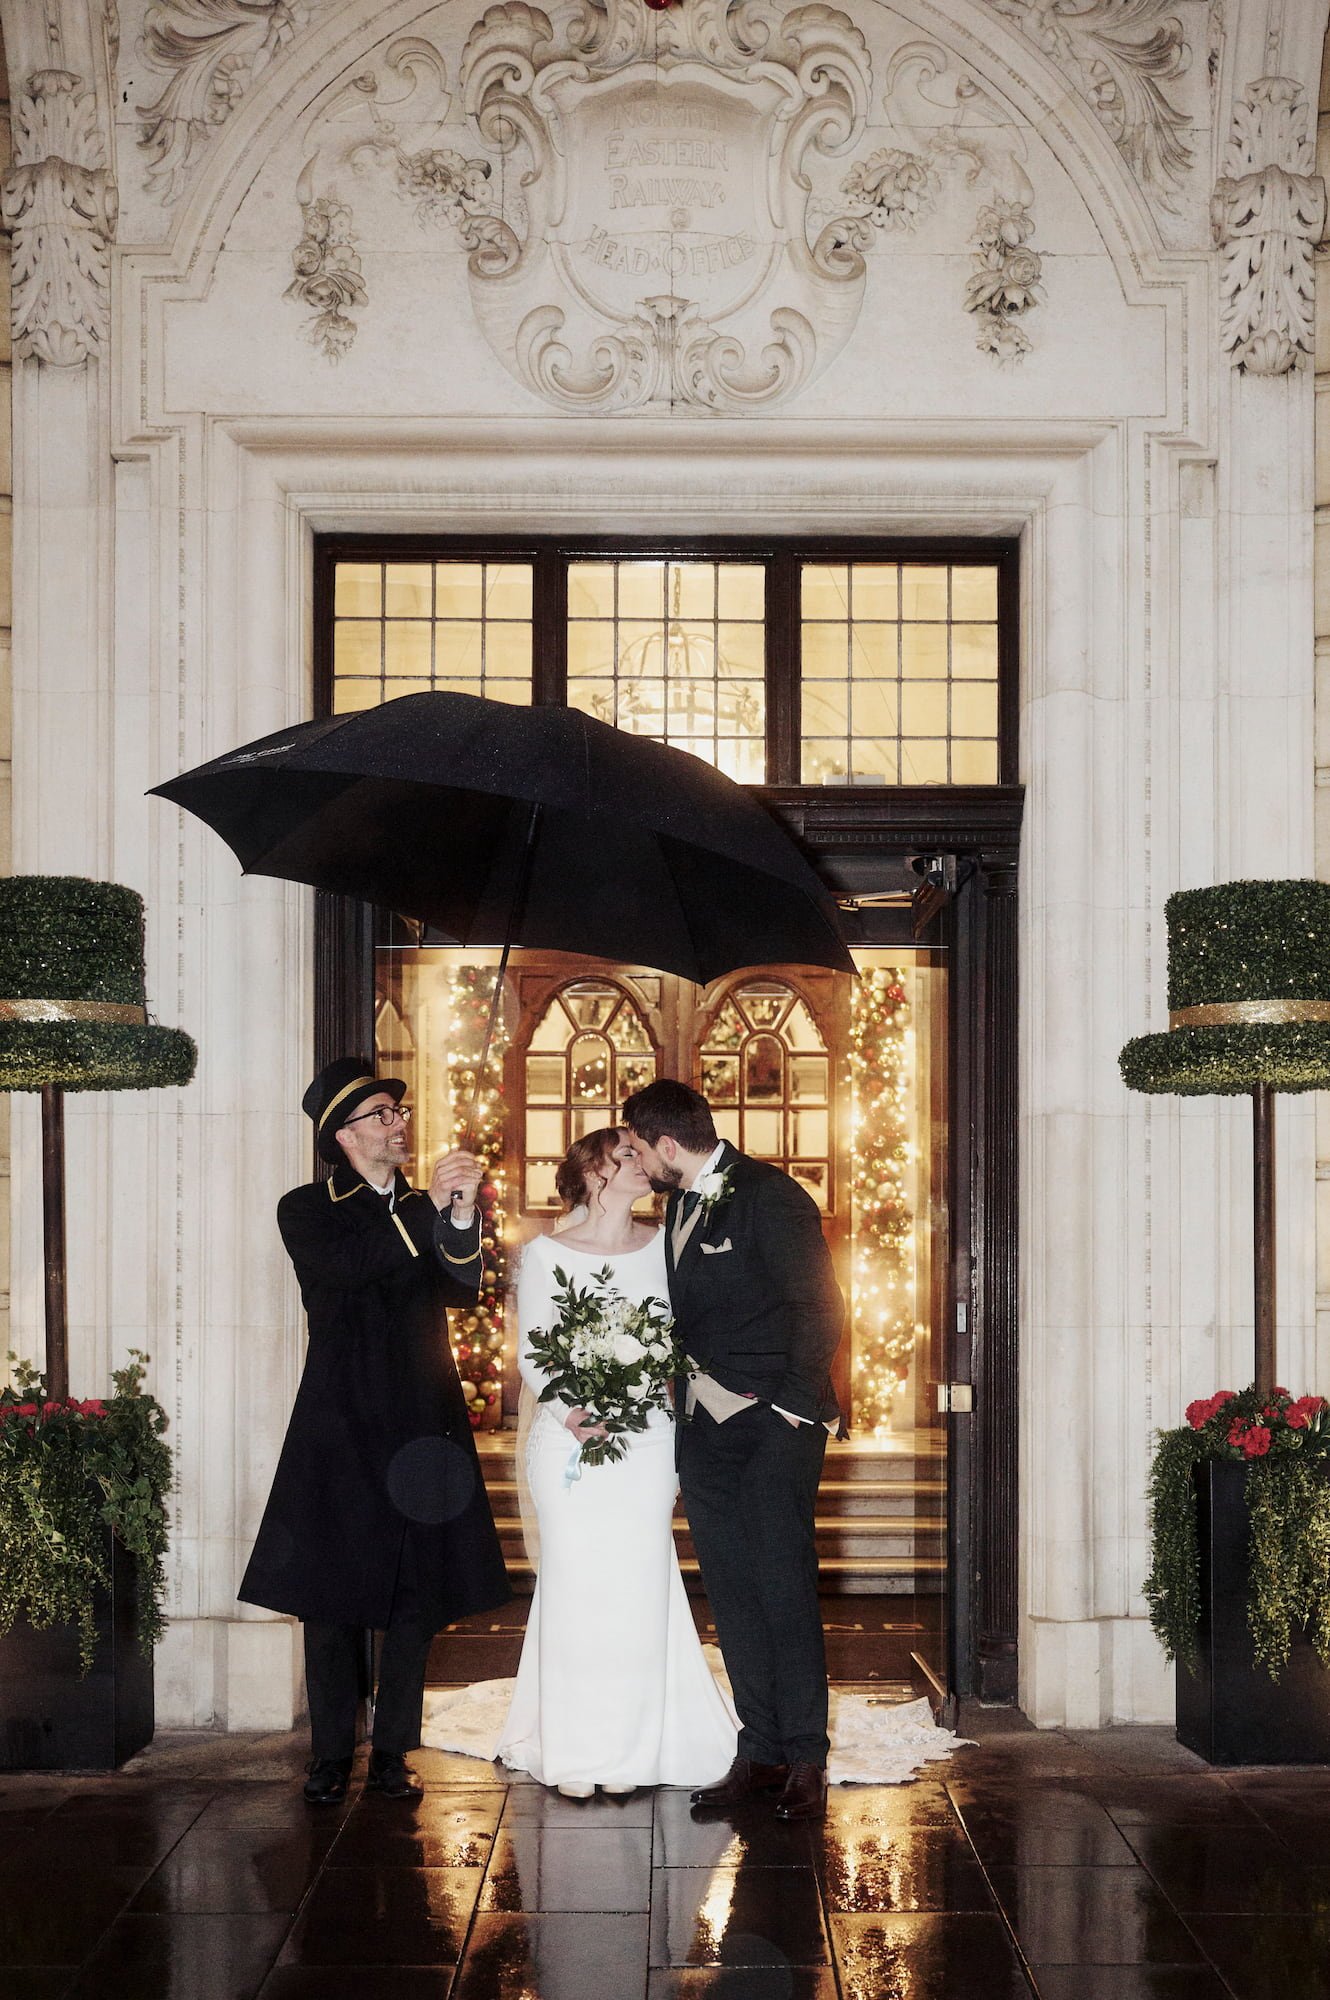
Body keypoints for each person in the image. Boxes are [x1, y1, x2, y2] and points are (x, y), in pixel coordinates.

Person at [239, 1056, 511, 1805]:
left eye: (398, 1113)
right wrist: (427, 1209)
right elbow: (352, 1266)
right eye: (383, 1116)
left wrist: (460, 1215)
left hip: (422, 1419)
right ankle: (330, 1756)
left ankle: (392, 1751)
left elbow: (459, 1290)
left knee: (413, 1596)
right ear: (346, 1135)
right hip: (339, 1421)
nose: (399, 1125)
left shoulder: (424, 1208)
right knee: (328, 1600)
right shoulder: (306, 1208)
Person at [622, 1078, 844, 1823]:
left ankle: (806, 1757)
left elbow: (820, 1307)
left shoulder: (770, 1195)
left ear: (665, 1144)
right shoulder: (679, 1201)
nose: (636, 1163)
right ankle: (760, 1748)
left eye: (635, 1148)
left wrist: (788, 1408)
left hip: (775, 1425)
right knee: (734, 1591)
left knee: (783, 1586)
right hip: (704, 1431)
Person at [493, 1128, 739, 1798]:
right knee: (576, 1579)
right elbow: (536, 1350)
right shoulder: (545, 1254)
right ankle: (579, 1742)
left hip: (649, 1440)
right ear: (592, 1173)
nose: (641, 1164)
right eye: (625, 1156)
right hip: (571, 1440)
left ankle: (649, 1738)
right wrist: (575, 1412)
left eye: (639, 1154)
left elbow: (682, 1335)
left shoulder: (665, 1247)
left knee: (640, 1577)